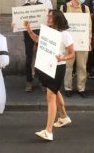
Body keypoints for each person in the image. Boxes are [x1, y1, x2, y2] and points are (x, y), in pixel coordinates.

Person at [25, 10, 74, 141]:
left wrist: (62, 57)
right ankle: (63, 117)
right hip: (47, 67)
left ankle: (48, 131)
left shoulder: (65, 35)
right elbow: (37, 40)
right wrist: (29, 30)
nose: (47, 17)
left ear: (56, 19)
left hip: (58, 68)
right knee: (55, 91)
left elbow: (72, 54)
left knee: (50, 96)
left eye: (50, 16)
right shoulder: (49, 31)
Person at [60, 0, 91, 98]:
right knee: (68, 66)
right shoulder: (64, 8)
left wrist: (89, 41)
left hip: (82, 42)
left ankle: (81, 88)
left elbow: (89, 26)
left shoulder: (85, 8)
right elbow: (60, 26)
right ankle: (68, 88)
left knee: (82, 66)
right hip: (68, 44)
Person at [21, 0, 43, 92]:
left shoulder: (42, 6)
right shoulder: (24, 7)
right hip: (28, 35)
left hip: (40, 35)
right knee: (29, 59)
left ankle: (40, 80)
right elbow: (19, 21)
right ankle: (29, 81)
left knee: (41, 58)